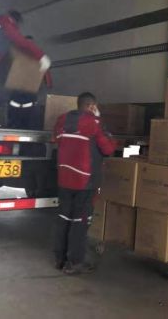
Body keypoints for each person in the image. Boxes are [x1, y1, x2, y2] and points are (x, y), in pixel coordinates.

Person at [53, 92, 117, 274]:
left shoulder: (62, 120)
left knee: (63, 219)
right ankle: (74, 263)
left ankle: (60, 259)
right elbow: (108, 148)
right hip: (85, 181)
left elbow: (55, 139)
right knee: (80, 222)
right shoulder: (94, 123)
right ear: (91, 106)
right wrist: (100, 122)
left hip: (64, 178)